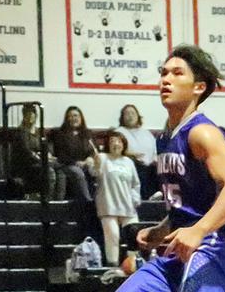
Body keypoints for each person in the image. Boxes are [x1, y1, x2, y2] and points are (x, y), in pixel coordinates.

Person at [117, 45, 225, 292]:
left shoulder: (202, 133)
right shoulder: (164, 138)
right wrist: (163, 228)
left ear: (198, 87)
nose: (166, 79)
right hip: (178, 248)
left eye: (177, 73)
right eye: (164, 73)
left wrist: (198, 230)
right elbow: (194, 199)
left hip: (214, 248)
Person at [88, 131, 140, 266]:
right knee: (113, 237)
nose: (116, 144)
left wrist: (135, 199)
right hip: (108, 204)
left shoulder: (128, 162)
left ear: (123, 144)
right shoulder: (102, 157)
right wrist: (96, 164)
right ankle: (113, 265)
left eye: (119, 141)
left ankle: (132, 265)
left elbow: (135, 184)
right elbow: (94, 173)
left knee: (133, 233)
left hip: (128, 204)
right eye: (112, 142)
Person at [8, 103, 54, 199]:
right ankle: (47, 199)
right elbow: (26, 151)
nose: (30, 117)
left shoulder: (39, 132)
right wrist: (40, 157)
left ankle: (58, 199)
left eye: (32, 114)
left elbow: (46, 146)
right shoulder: (21, 132)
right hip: (25, 166)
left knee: (60, 170)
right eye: (27, 114)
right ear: (23, 116)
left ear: (36, 116)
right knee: (49, 171)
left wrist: (48, 154)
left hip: (39, 162)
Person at [49, 106, 94, 202]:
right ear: (66, 119)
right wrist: (76, 162)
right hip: (66, 164)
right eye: (70, 116)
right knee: (78, 173)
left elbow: (93, 150)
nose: (74, 118)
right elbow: (60, 154)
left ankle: (99, 200)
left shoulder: (87, 133)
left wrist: (90, 158)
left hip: (85, 164)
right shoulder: (59, 134)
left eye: (76, 116)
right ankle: (88, 202)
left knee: (97, 171)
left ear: (81, 118)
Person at [115, 104, 158, 199]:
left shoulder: (146, 133)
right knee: (140, 169)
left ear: (138, 116)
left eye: (133, 113)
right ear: (122, 117)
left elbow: (155, 150)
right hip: (131, 164)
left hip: (150, 164)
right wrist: (131, 155)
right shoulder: (119, 132)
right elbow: (115, 151)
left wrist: (155, 160)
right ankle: (145, 200)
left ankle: (155, 199)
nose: (130, 116)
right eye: (127, 114)